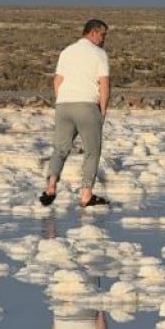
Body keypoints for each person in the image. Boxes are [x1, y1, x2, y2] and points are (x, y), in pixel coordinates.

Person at [39, 19, 110, 208]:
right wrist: (102, 111)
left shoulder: (67, 52)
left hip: (64, 105)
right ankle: (86, 194)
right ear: (93, 33)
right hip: (87, 106)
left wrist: (61, 100)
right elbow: (104, 84)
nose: (104, 39)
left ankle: (51, 187)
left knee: (60, 149)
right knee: (92, 152)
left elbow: (57, 80)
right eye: (102, 35)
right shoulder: (99, 54)